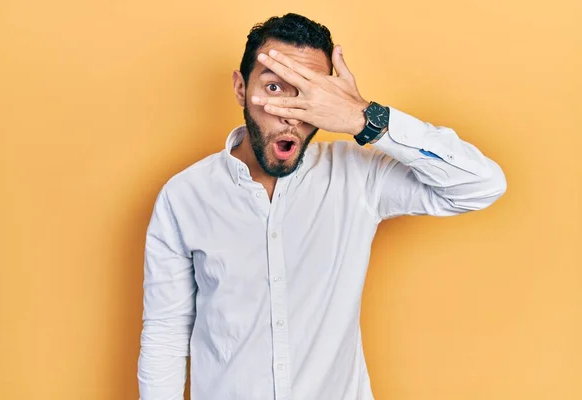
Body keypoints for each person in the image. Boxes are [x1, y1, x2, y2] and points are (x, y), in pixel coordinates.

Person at [137, 12, 507, 400]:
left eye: (308, 92)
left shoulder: (357, 177)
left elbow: (480, 185)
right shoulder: (185, 196)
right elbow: (165, 331)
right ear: (241, 88)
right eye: (275, 87)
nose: (290, 113)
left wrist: (364, 118)